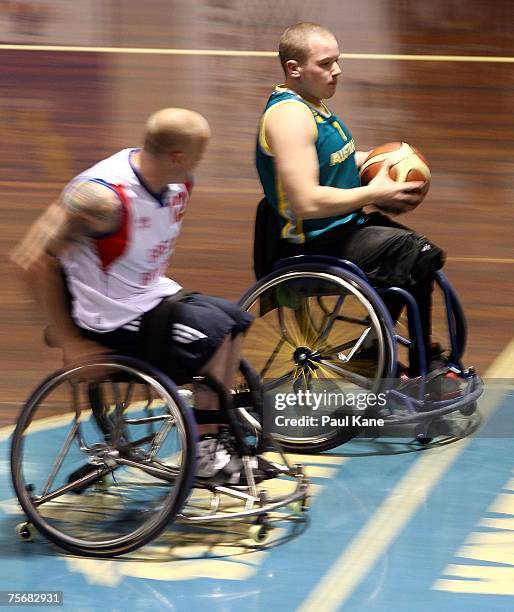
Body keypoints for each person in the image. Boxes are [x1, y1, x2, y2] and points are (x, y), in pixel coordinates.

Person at [12, 107, 276, 485]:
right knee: (212, 338)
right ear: (177, 157)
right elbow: (31, 259)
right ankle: (205, 453)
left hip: (147, 298)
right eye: (199, 155)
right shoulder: (100, 199)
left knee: (232, 322)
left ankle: (217, 440)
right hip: (108, 317)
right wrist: (71, 341)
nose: (201, 163)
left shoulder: (178, 184)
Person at [255, 22, 447, 377]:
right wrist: (377, 192)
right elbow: (305, 202)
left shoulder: (313, 106)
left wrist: (377, 159)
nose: (337, 71)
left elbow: (334, 159)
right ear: (294, 69)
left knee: (419, 257)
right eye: (326, 64)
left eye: (337, 61)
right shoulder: (289, 117)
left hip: (342, 227)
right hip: (310, 241)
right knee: (415, 254)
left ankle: (376, 350)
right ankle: (416, 361)